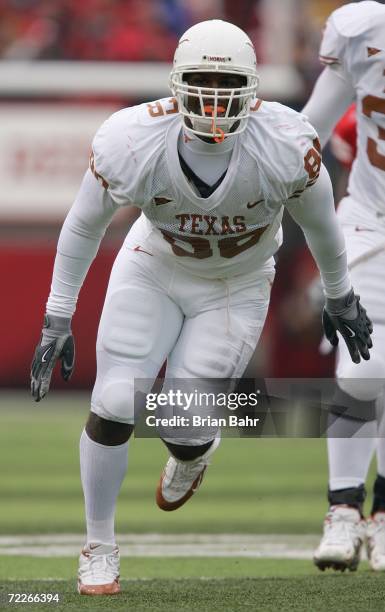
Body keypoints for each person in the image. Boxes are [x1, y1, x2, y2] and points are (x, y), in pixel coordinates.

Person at [30, 19, 372, 595]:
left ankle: (194, 451)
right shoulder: (131, 137)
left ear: (253, 89)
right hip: (154, 268)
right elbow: (82, 226)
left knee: (184, 424)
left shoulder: (287, 143)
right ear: (175, 83)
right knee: (114, 399)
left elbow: (321, 226)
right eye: (202, 81)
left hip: (235, 284)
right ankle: (99, 546)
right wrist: (56, 315)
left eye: (227, 82)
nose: (214, 98)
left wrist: (340, 294)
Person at [302, 0, 385, 572]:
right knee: (362, 368)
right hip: (371, 221)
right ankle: (343, 508)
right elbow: (312, 128)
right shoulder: (361, 30)